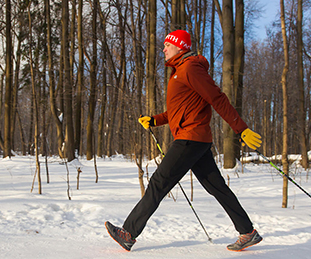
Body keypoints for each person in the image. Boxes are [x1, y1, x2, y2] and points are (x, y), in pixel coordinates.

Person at [105, 30, 263, 252]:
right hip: (196, 140)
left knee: (159, 182)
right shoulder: (180, 71)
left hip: (190, 139)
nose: (164, 49)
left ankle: (128, 233)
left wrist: (241, 128)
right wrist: (155, 120)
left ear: (179, 46)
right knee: (217, 187)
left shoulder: (190, 68)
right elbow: (178, 111)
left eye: (167, 45)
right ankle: (248, 232)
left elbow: (217, 97)